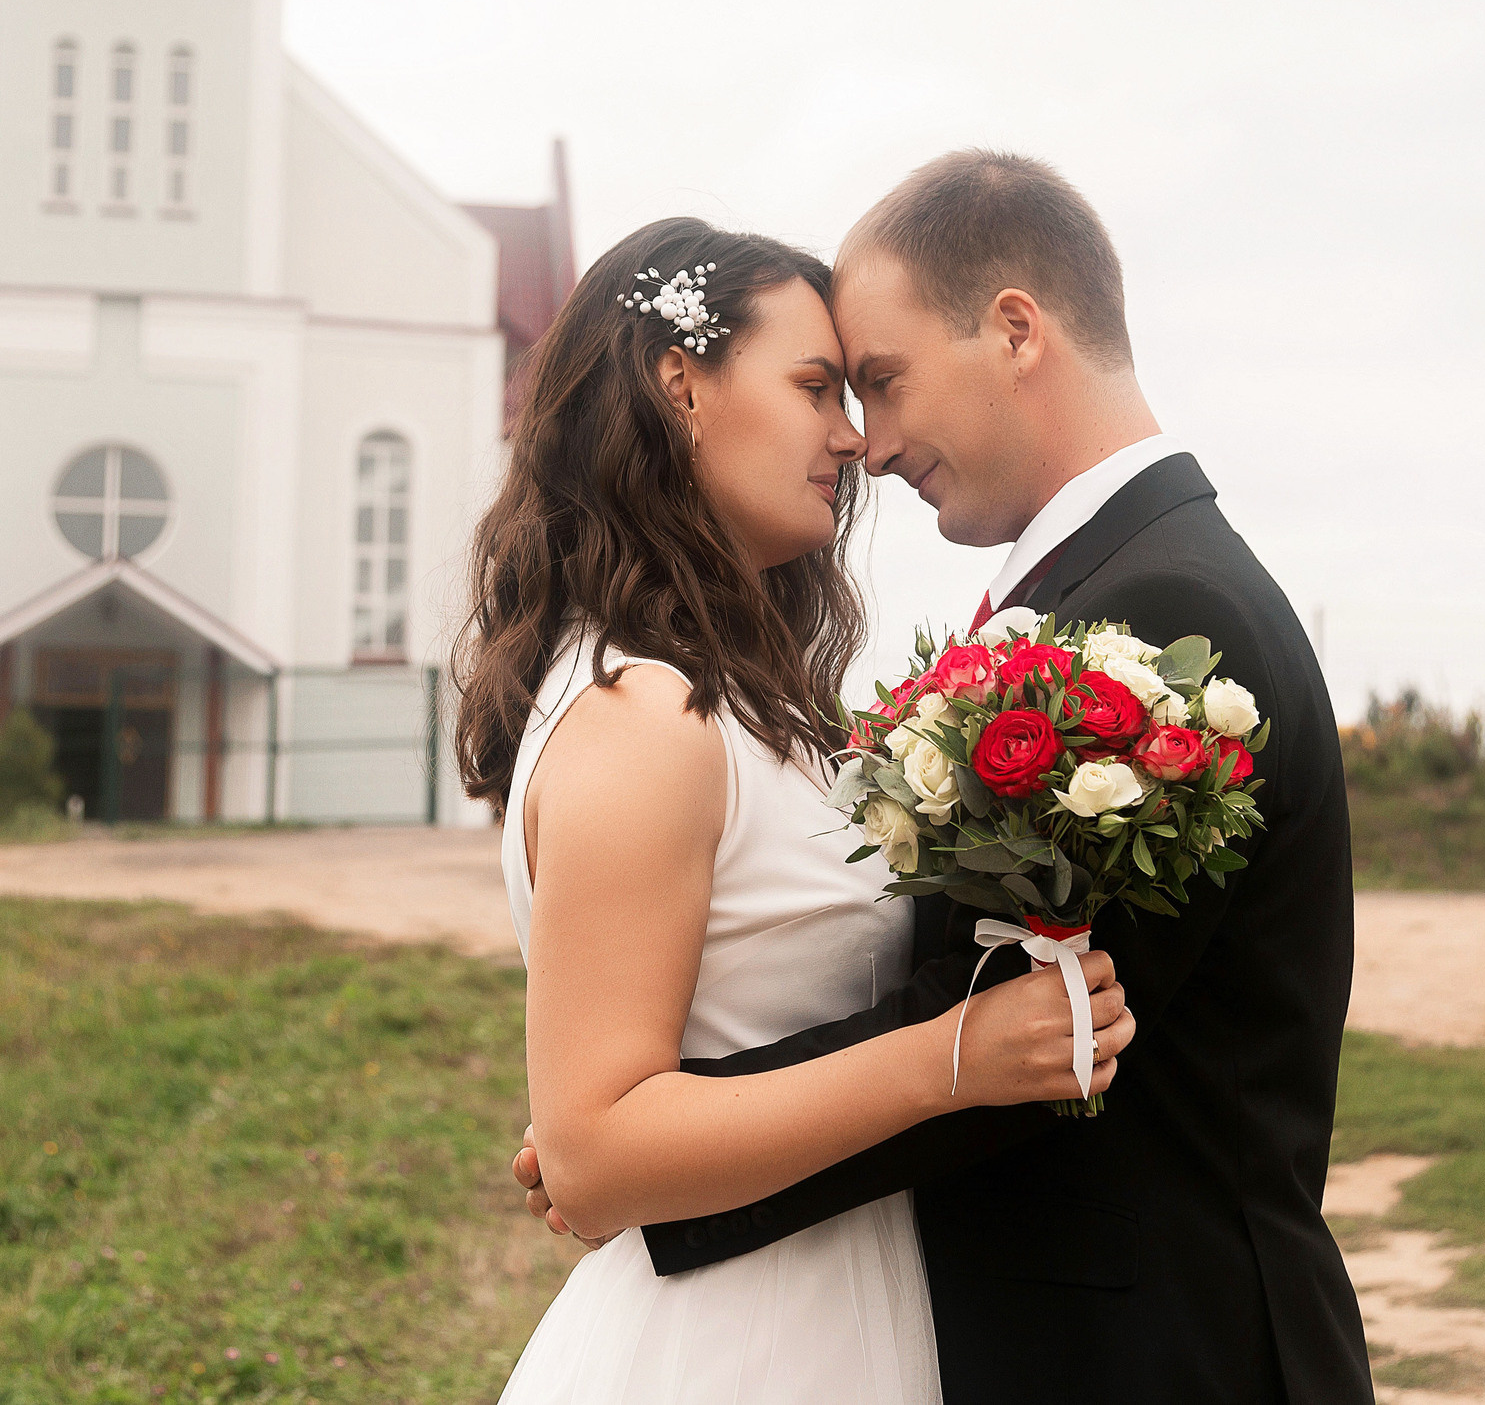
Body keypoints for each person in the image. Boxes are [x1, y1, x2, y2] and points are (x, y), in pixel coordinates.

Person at [516, 154, 1375, 1403]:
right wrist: (627, 1139)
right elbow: (981, 1016)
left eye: (876, 381)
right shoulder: (1095, 595)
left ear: (1015, 329)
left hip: (1165, 1348)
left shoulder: (1161, 611)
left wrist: (645, 1158)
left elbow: (1044, 1031)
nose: (867, 442)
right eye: (829, 387)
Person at [455, 215, 1139, 1405]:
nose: (853, 440)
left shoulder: (731, 702)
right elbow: (598, 1153)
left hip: (833, 1307)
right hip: (733, 1350)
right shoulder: (640, 715)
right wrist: (953, 1059)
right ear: (682, 388)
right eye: (817, 386)